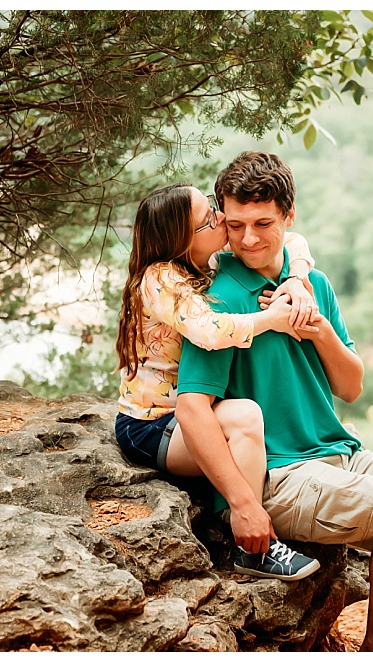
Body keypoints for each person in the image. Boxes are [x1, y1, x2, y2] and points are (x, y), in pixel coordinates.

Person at [175, 152, 373, 652]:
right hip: (278, 472)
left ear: (289, 217)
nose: (248, 238)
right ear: (222, 219)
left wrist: (318, 330)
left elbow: (352, 387)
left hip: (338, 453)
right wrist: (241, 504)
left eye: (263, 223)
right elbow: (192, 406)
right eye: (235, 224)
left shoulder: (313, 283)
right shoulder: (217, 298)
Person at [114, 182, 321, 581]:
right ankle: (251, 541)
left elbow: (292, 239)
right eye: (209, 217)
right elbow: (209, 330)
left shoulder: (205, 260)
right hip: (152, 425)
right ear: (180, 239)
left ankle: (242, 518)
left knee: (252, 415)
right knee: (245, 416)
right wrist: (271, 319)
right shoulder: (160, 278)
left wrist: (295, 278)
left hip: (189, 417)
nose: (221, 218)